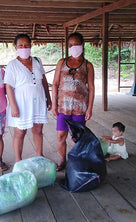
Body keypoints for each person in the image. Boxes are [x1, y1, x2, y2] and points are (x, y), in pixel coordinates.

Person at [4, 34, 52, 162]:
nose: (24, 48)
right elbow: (8, 87)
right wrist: (13, 106)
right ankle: (18, 161)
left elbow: (43, 81)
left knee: (38, 130)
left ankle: (39, 156)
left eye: (27, 45)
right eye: (20, 45)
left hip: (38, 101)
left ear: (31, 46)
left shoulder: (37, 61)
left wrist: (49, 98)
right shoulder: (12, 65)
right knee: (20, 132)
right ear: (15, 47)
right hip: (21, 103)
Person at [52, 32, 95, 171]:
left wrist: (89, 108)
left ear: (82, 45)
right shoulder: (61, 62)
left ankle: (77, 161)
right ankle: (62, 159)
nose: (73, 47)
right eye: (71, 45)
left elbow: (92, 88)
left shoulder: (87, 65)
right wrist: (54, 105)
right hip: (63, 107)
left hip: (80, 107)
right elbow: (55, 84)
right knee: (61, 135)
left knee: (79, 137)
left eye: (76, 44)